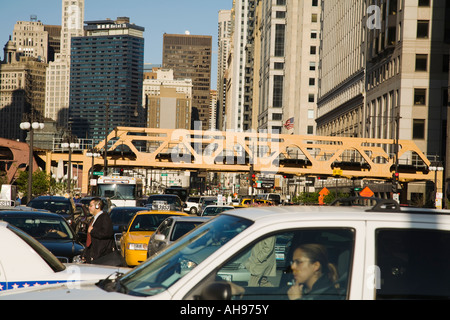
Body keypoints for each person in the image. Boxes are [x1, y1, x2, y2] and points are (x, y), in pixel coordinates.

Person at [82, 197, 115, 264]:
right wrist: (85, 254)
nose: (89, 207)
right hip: (92, 254)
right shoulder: (93, 219)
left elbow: (107, 233)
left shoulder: (104, 218)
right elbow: (89, 240)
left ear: (98, 206)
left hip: (101, 256)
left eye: (91, 206)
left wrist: (93, 231)